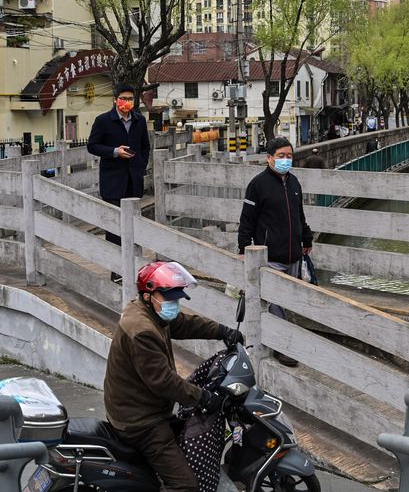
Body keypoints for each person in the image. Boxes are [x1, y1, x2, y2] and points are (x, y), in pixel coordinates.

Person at [104, 261, 242, 492]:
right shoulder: (142, 331)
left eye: (176, 298)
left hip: (137, 407)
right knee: (185, 485)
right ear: (149, 296)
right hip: (140, 421)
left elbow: (183, 324)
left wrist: (222, 331)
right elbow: (163, 381)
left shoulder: (149, 313)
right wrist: (203, 398)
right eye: (168, 297)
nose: (173, 304)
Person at [238, 137, 313, 367]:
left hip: (294, 253)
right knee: (276, 302)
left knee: (289, 301)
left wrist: (307, 236)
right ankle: (283, 347)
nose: (285, 160)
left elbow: (299, 215)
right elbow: (247, 220)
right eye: (280, 156)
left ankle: (283, 339)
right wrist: (243, 248)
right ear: (269, 158)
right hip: (270, 255)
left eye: (289, 156)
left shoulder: (294, 183)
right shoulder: (258, 185)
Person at [87, 84, 152, 283]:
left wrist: (140, 166)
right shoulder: (103, 120)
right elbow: (92, 145)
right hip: (112, 181)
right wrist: (115, 152)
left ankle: (134, 269)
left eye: (131, 99)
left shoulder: (139, 120)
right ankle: (117, 272)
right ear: (115, 99)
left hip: (133, 180)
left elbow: (145, 147)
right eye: (123, 98)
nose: (127, 102)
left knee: (133, 227)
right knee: (115, 228)